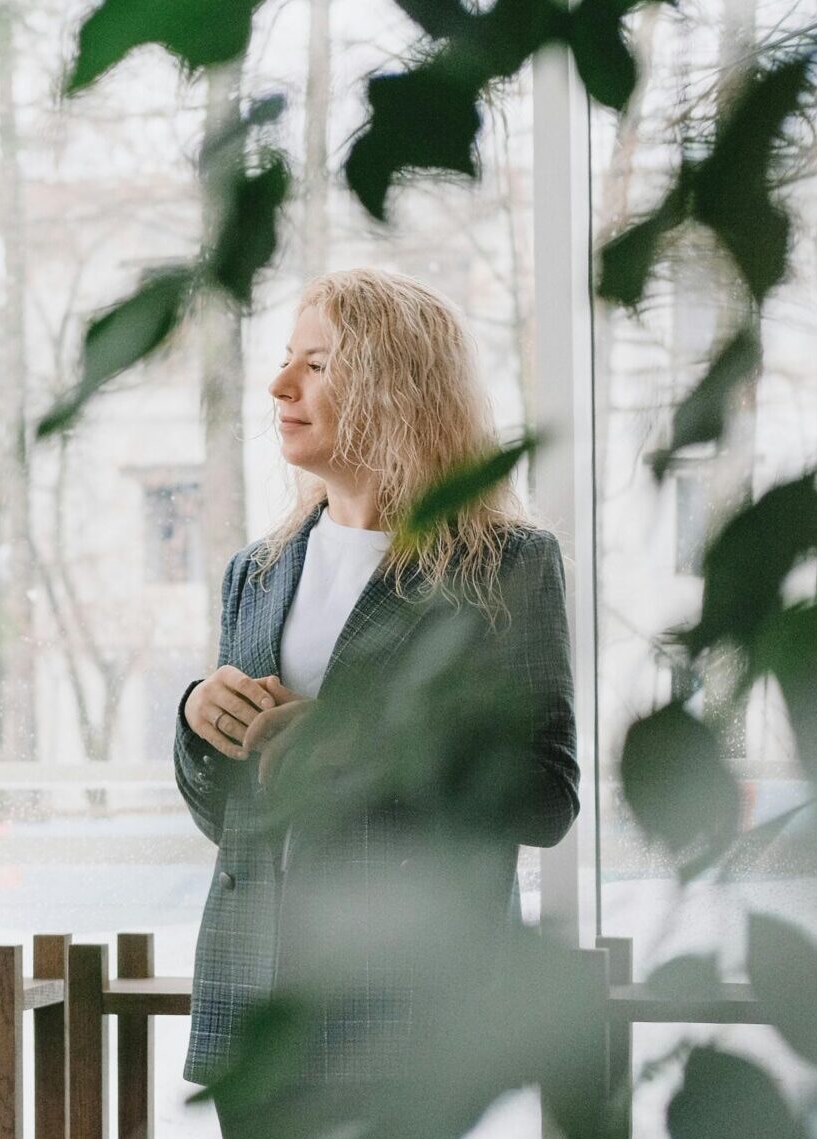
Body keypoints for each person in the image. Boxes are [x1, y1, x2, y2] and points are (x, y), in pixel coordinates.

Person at [174, 268, 580, 1135]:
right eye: (287, 360)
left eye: (315, 365)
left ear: (395, 389)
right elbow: (230, 822)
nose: (280, 386)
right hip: (254, 1012)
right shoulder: (258, 569)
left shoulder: (507, 566)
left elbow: (547, 799)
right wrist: (197, 725)